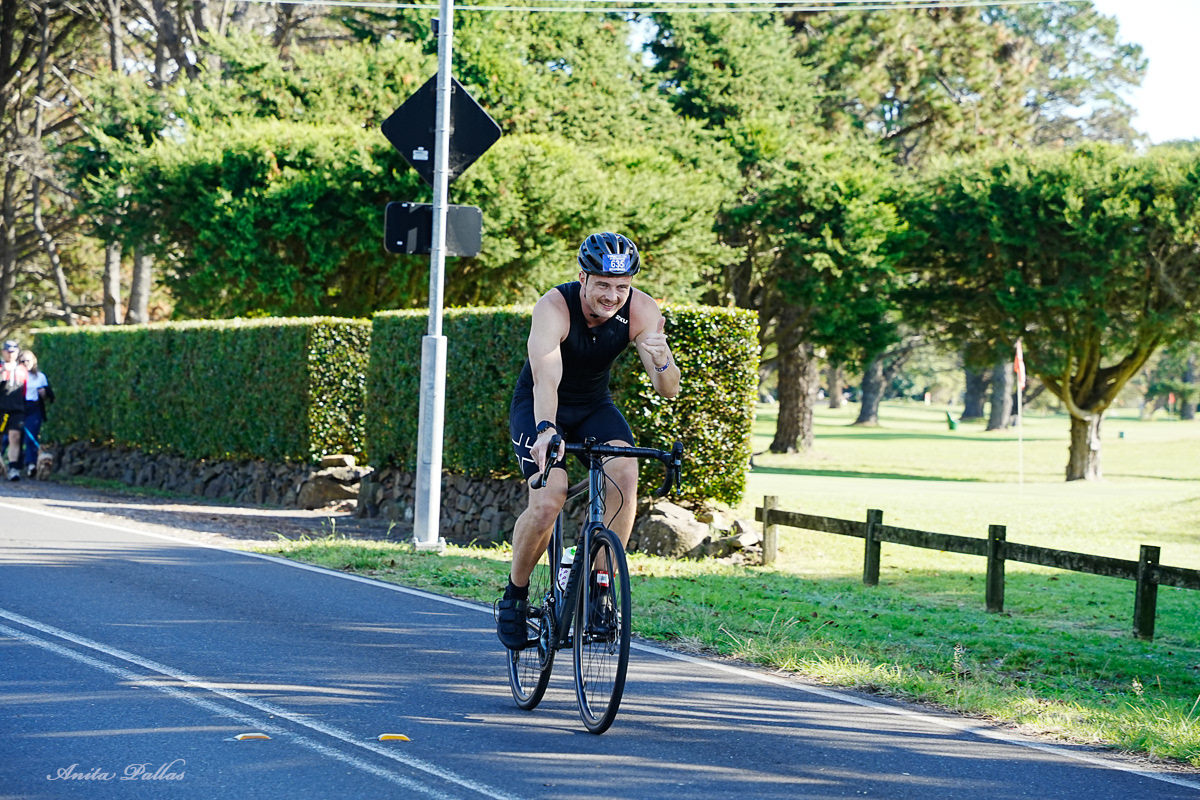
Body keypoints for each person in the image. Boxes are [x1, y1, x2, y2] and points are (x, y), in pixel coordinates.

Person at [496, 232, 680, 650]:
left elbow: (668, 389)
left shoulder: (642, 310)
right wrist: (547, 430)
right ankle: (515, 596)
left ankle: (600, 588)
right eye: (602, 284)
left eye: (622, 286)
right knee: (549, 499)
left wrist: (661, 357)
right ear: (583, 278)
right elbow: (546, 379)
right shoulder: (554, 307)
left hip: (594, 405)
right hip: (541, 405)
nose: (612, 296)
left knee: (624, 472)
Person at [18, 350, 51, 478]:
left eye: (28, 361)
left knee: (31, 437)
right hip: (19, 408)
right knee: (14, 437)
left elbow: (49, 394)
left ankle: (31, 464)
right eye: (23, 361)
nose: (26, 363)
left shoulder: (40, 377)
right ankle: (15, 464)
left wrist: (44, 393)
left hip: (34, 407)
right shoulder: (16, 375)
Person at [0, 340, 28, 482]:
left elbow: (24, 390)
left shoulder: (22, 370)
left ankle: (13, 467)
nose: (11, 354)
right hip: (1, 408)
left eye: (13, 352)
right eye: (8, 351)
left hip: (16, 409)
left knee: (15, 437)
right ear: (3, 352)